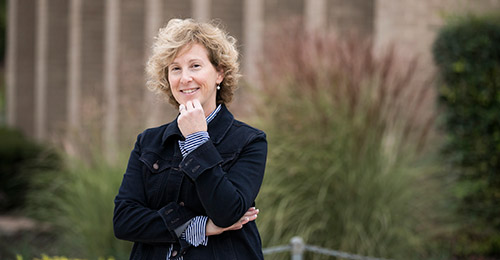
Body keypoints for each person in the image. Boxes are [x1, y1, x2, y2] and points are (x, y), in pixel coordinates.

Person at [113, 18, 267, 260]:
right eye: (175, 68)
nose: (185, 78)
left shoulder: (249, 141)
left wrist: (198, 140)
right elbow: (124, 221)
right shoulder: (148, 142)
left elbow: (227, 213)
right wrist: (198, 227)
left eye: (195, 66)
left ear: (219, 73)